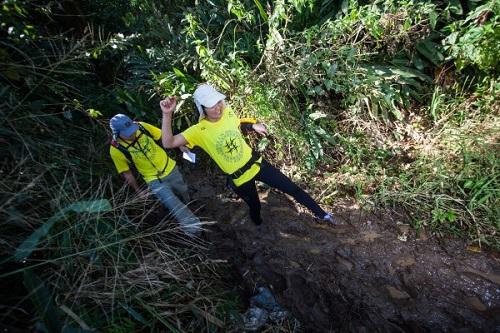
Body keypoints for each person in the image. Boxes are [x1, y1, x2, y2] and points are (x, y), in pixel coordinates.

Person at [158, 84, 336, 227]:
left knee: (292, 188)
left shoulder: (227, 112)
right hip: (239, 178)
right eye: (211, 106)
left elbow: (237, 124)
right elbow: (168, 143)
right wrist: (167, 114)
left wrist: (252, 126)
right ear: (202, 108)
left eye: (218, 102)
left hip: (256, 163)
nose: (218, 108)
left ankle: (323, 215)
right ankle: (258, 225)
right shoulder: (199, 131)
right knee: (255, 206)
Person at [109, 114, 201, 237]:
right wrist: (138, 191)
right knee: (173, 204)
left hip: (169, 167)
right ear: (117, 134)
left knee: (184, 192)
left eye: (132, 130)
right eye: (127, 133)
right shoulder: (116, 150)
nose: (132, 134)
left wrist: (180, 145)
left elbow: (164, 135)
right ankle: (195, 231)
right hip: (154, 179)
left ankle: (192, 206)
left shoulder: (142, 127)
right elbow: (127, 173)